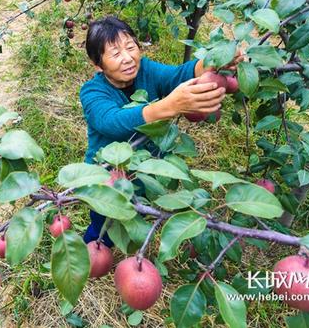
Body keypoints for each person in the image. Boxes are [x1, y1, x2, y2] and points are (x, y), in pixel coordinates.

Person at [80, 16, 244, 246]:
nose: (128, 58)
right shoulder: (91, 92)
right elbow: (111, 122)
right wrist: (169, 106)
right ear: (97, 64)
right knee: (103, 223)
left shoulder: (146, 70)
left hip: (145, 167)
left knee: (137, 213)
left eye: (131, 47)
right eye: (116, 54)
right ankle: (94, 246)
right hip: (106, 175)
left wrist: (210, 64)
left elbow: (176, 76)